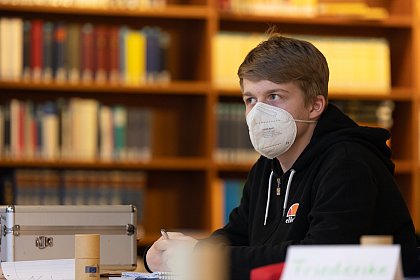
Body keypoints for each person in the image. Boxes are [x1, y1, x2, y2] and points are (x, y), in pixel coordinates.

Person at [144, 34, 420, 279]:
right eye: (250, 99)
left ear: (315, 105)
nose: (259, 112)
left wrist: (201, 258)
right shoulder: (266, 167)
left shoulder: (349, 163)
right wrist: (177, 253)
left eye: (274, 96)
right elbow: (237, 235)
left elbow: (318, 259)